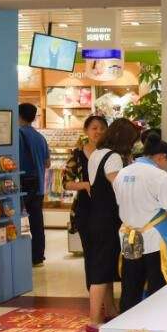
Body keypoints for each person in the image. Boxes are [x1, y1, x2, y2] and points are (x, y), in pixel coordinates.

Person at [80, 118, 138, 330]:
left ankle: (111, 311)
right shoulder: (113, 157)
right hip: (107, 219)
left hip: (97, 216)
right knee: (100, 270)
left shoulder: (97, 153)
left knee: (103, 268)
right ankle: (94, 320)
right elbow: (119, 184)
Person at [114, 133, 167, 312]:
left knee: (131, 283)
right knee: (158, 282)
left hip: (128, 236)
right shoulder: (158, 175)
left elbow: (119, 201)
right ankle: (158, 319)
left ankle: (128, 320)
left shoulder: (123, 173)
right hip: (154, 237)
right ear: (161, 157)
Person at [64, 115, 107, 274]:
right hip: (85, 208)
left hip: (106, 209)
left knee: (105, 253)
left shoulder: (111, 154)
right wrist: (84, 185)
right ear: (86, 131)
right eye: (94, 128)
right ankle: (93, 286)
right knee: (89, 252)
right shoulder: (77, 154)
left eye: (102, 128)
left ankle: (105, 286)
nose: (98, 132)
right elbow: (66, 183)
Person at [17, 103, 50, 266]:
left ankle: (20, 257)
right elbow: (48, 163)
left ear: (19, 116)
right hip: (38, 186)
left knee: (19, 220)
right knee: (37, 222)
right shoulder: (40, 137)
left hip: (23, 184)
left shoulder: (18, 135)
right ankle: (38, 257)